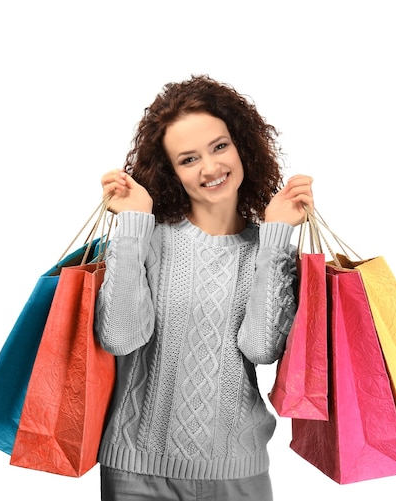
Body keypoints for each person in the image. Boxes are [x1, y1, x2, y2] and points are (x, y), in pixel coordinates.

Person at [95, 74, 313, 500]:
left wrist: (275, 238)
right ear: (171, 171)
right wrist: (133, 223)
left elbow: (261, 349)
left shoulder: (265, 248)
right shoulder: (147, 238)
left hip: (238, 470)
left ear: (241, 144)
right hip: (137, 472)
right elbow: (118, 338)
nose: (211, 168)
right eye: (188, 159)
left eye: (219, 146)